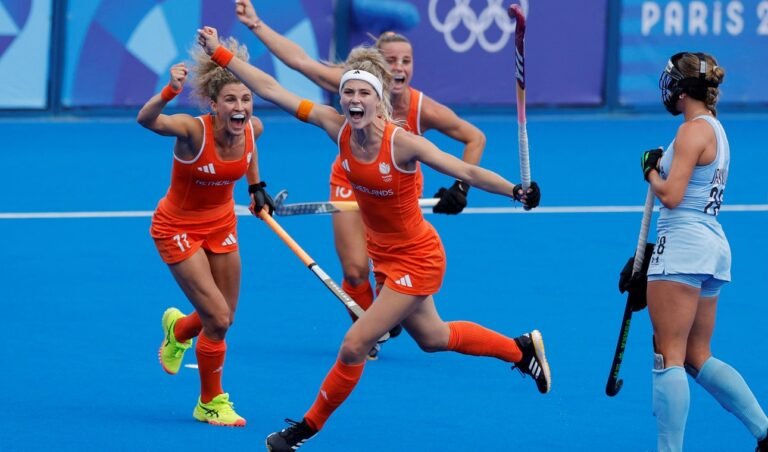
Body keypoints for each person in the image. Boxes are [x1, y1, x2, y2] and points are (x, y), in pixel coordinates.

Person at [196, 25, 547, 451]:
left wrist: (515, 190)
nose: (355, 100)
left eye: (364, 93)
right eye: (349, 93)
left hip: (418, 257)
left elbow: (466, 170)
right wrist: (221, 55)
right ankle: (520, 350)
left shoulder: (404, 144)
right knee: (433, 338)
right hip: (385, 255)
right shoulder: (337, 128)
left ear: (379, 101)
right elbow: (271, 88)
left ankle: (303, 430)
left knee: (355, 344)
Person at [235, 0, 489, 357]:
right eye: (390, 61)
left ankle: (384, 313)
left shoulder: (423, 108)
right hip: (350, 180)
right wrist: (255, 24)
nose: (398, 68)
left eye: (406, 61)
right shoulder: (355, 87)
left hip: (396, 194)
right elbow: (299, 61)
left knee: (401, 276)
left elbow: (474, 138)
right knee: (355, 270)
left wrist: (462, 188)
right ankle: (367, 329)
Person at [136, 37, 275, 427]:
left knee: (225, 316)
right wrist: (169, 91)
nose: (240, 107)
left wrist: (256, 186)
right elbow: (146, 120)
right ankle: (210, 402)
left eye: (246, 99)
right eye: (230, 100)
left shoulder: (253, 129)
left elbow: (250, 149)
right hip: (177, 228)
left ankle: (179, 329)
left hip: (222, 224)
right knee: (217, 317)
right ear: (214, 105)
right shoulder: (192, 131)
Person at [641, 51, 768, 452]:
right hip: (710, 248)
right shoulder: (716, 130)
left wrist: (650, 171)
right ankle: (764, 431)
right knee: (697, 355)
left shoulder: (690, 131)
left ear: (682, 90)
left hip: (682, 247)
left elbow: (672, 196)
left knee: (669, 356)